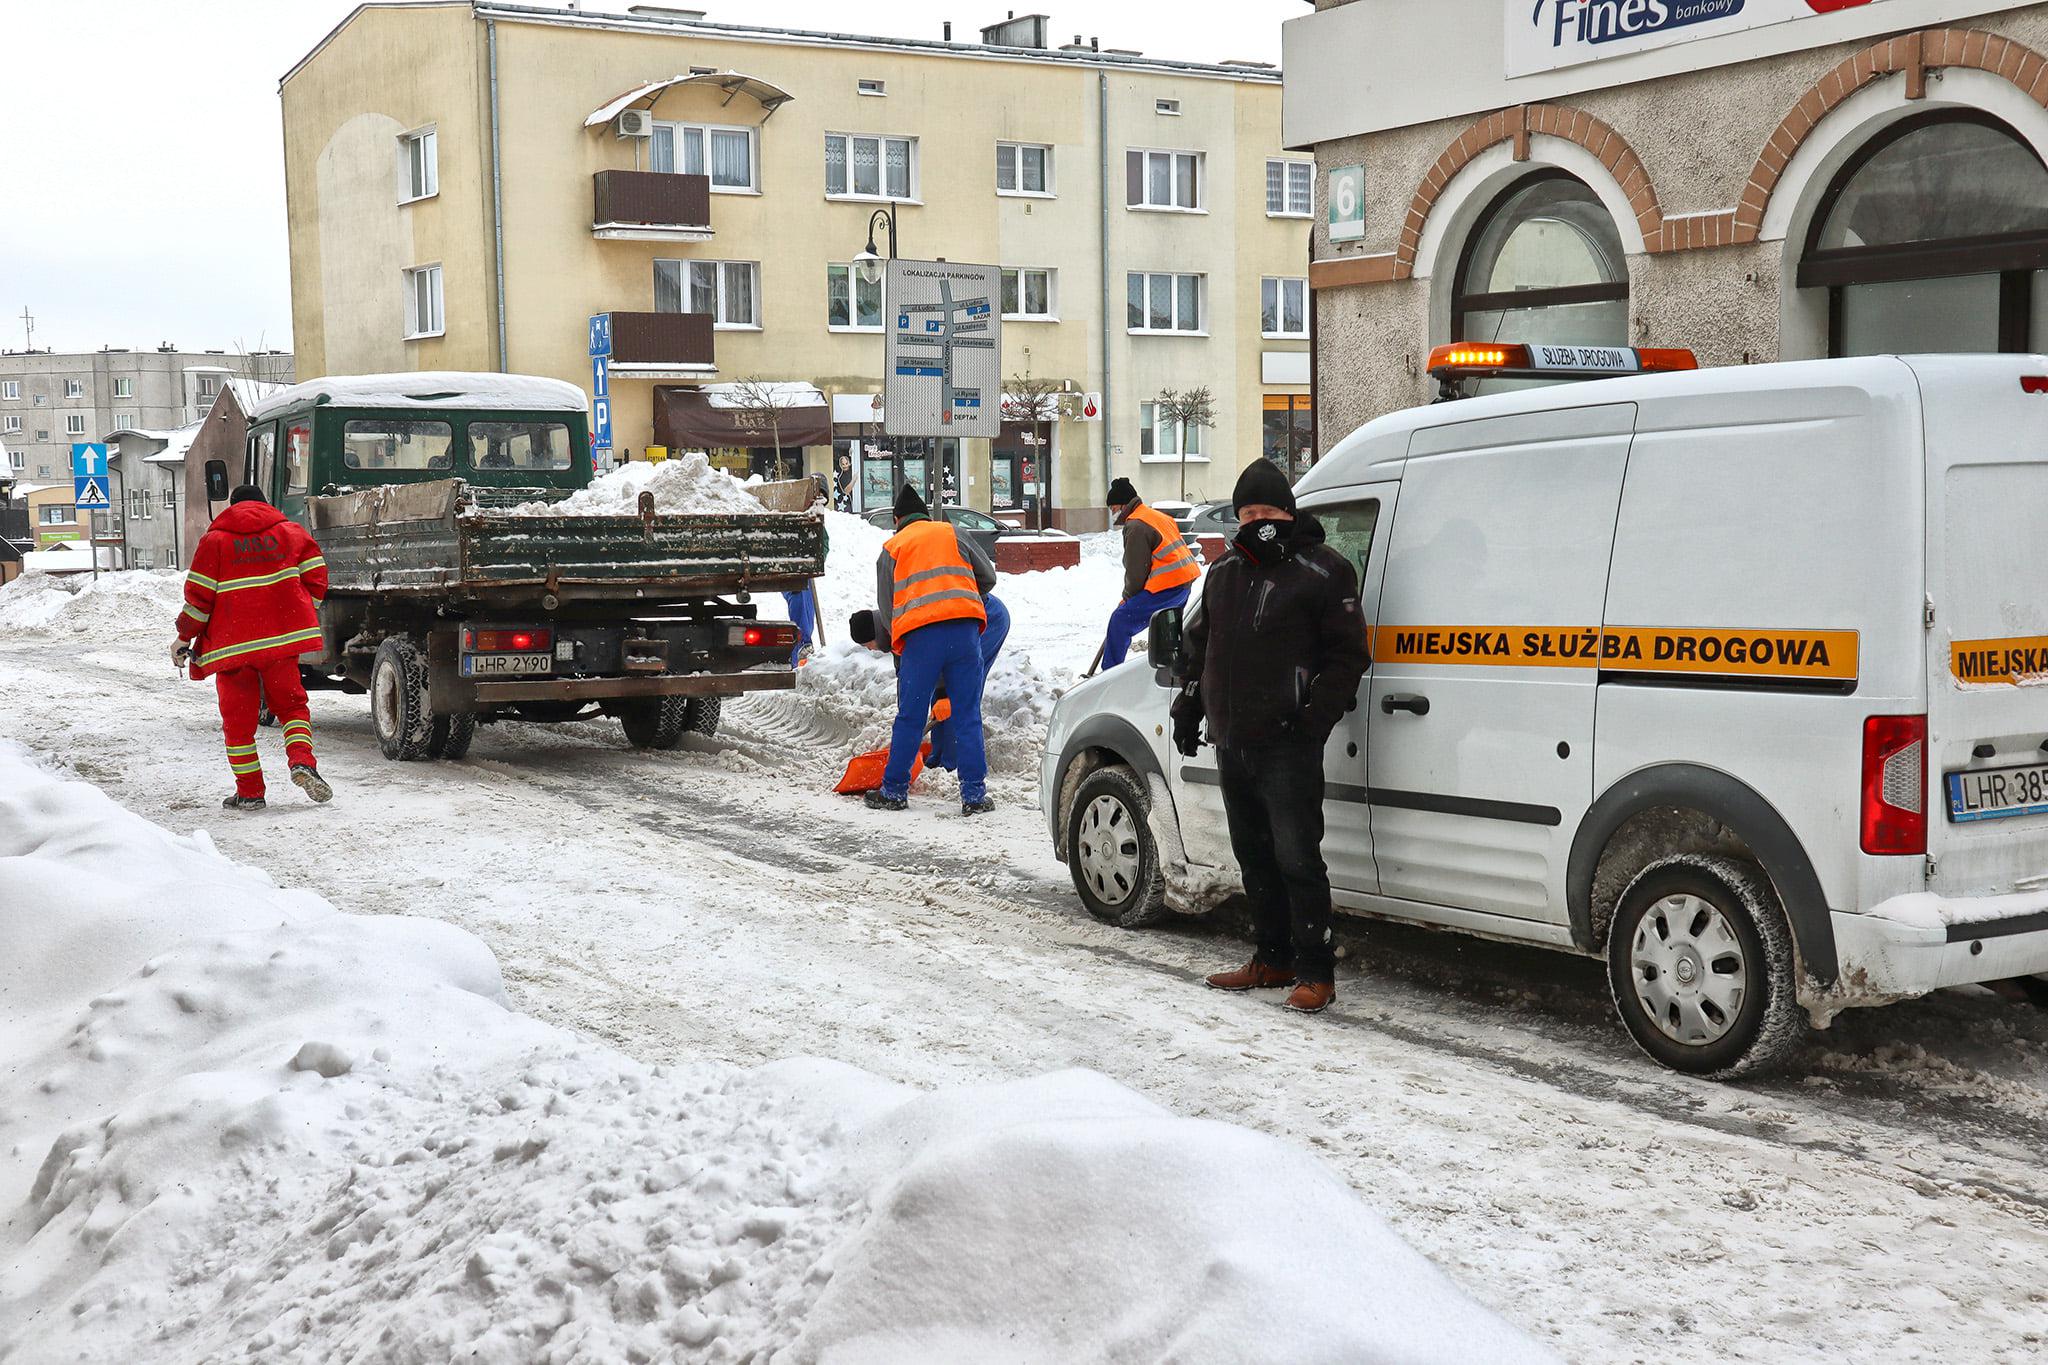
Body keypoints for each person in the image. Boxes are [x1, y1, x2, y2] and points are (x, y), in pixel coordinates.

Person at [1171, 459, 1367, 1014]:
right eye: (1248, 512)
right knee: (1253, 856)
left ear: (1289, 512)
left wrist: (1311, 722)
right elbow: (1198, 648)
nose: (1258, 521)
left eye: (1269, 511)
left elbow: (1349, 656)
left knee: (1297, 858)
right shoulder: (1225, 573)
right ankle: (1272, 957)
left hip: (1287, 744)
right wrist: (1190, 703)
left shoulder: (1324, 571)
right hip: (1234, 740)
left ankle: (1316, 971)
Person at [173, 485, 334, 811]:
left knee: (238, 725)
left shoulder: (214, 541)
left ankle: (250, 792)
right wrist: (300, 611)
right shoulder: (291, 533)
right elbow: (317, 577)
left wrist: (184, 637)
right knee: (291, 707)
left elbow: (199, 601)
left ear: (232, 507)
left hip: (232, 649)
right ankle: (302, 761)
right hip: (280, 644)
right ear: (265, 504)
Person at [868, 484, 998, 815]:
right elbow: (989, 578)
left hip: (921, 639)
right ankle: (973, 795)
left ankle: (894, 791)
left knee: (910, 715)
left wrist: (901, 646)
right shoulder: (952, 532)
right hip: (966, 633)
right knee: (968, 713)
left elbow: (888, 610)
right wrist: (963, 599)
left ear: (898, 519)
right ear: (926, 516)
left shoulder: (893, 547)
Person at [849, 592, 1008, 773]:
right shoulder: (893, 632)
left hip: (985, 617)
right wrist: (906, 722)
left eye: (868, 644)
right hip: (956, 622)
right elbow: (907, 678)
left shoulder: (908, 626)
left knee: (957, 691)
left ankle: (952, 763)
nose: (870, 650)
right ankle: (938, 755)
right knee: (939, 695)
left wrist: (946, 695)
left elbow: (943, 665)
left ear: (876, 634)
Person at [1100, 477, 1200, 670]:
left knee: (1120, 621)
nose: (1112, 513)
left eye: (1112, 508)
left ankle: (1109, 674)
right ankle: (1170, 667)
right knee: (1166, 628)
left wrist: (1127, 598)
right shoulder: (1156, 516)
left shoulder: (1136, 525)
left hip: (1167, 586)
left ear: (1123, 504)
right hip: (1183, 583)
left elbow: (1136, 570)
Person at [781, 476, 829, 666]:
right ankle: (801, 652)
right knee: (800, 599)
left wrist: (815, 558)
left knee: (803, 600)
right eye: (816, 497)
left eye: (822, 499)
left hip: (803, 572)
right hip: (791, 570)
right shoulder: (793, 508)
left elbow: (823, 545)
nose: (818, 502)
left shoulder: (817, 517)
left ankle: (802, 652)